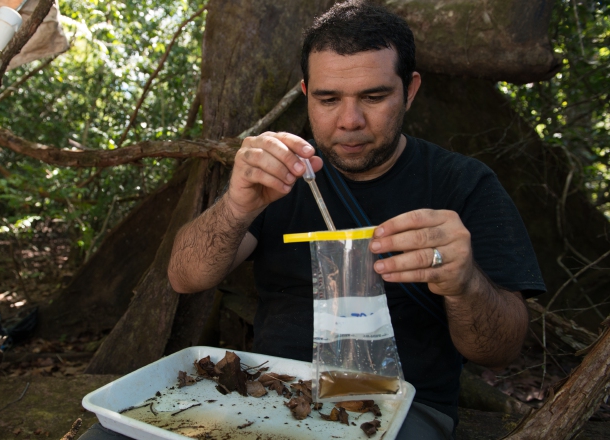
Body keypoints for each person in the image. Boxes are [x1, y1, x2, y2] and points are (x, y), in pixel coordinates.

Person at [80, 1, 545, 439]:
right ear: (306, 94)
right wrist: (237, 207)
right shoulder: (282, 172)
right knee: (108, 433)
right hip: (264, 392)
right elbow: (184, 276)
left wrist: (465, 284)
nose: (350, 120)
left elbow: (500, 349)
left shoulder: (462, 184)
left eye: (374, 95)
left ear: (412, 90)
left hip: (398, 408)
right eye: (328, 99)